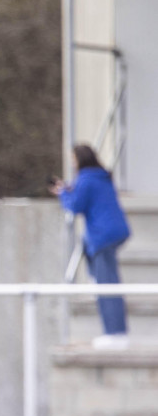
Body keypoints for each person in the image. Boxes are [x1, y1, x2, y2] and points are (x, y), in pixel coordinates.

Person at [49, 143, 131, 349]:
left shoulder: (86, 179)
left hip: (103, 236)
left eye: (73, 159)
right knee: (102, 271)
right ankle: (94, 274)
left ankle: (115, 333)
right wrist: (70, 189)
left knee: (107, 286)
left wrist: (62, 193)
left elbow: (75, 206)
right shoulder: (100, 176)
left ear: (80, 160)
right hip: (114, 232)